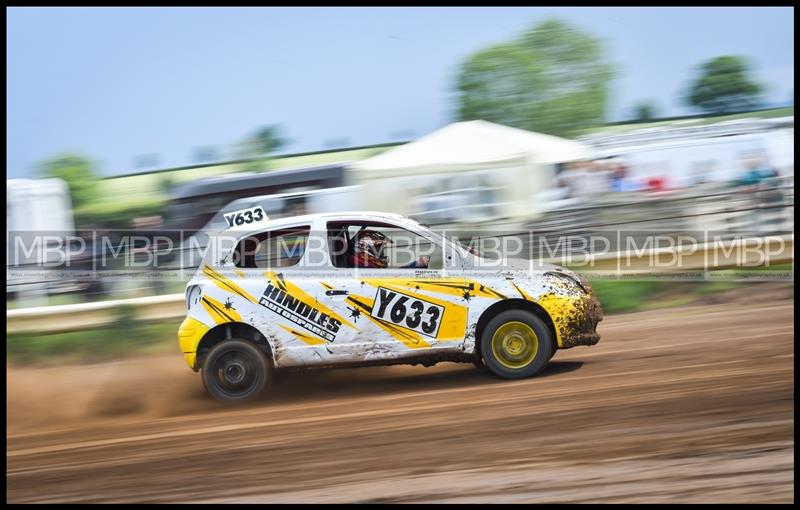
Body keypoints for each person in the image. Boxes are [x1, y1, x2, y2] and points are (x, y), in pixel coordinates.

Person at [348, 229, 430, 269]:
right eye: (378, 250)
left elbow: (395, 275)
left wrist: (418, 264)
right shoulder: (364, 268)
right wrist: (417, 265)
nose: (382, 254)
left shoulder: (364, 265)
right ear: (365, 249)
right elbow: (396, 277)